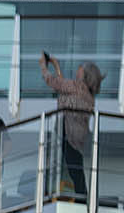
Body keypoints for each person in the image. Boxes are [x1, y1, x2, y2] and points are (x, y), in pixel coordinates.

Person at [39, 53, 102, 200]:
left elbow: (54, 82)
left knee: (71, 168)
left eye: (80, 69)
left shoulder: (77, 87)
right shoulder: (87, 93)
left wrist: (43, 66)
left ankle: (80, 199)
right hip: (78, 135)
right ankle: (82, 198)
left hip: (68, 131)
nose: (77, 71)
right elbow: (62, 87)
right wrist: (56, 66)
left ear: (85, 74)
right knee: (75, 167)